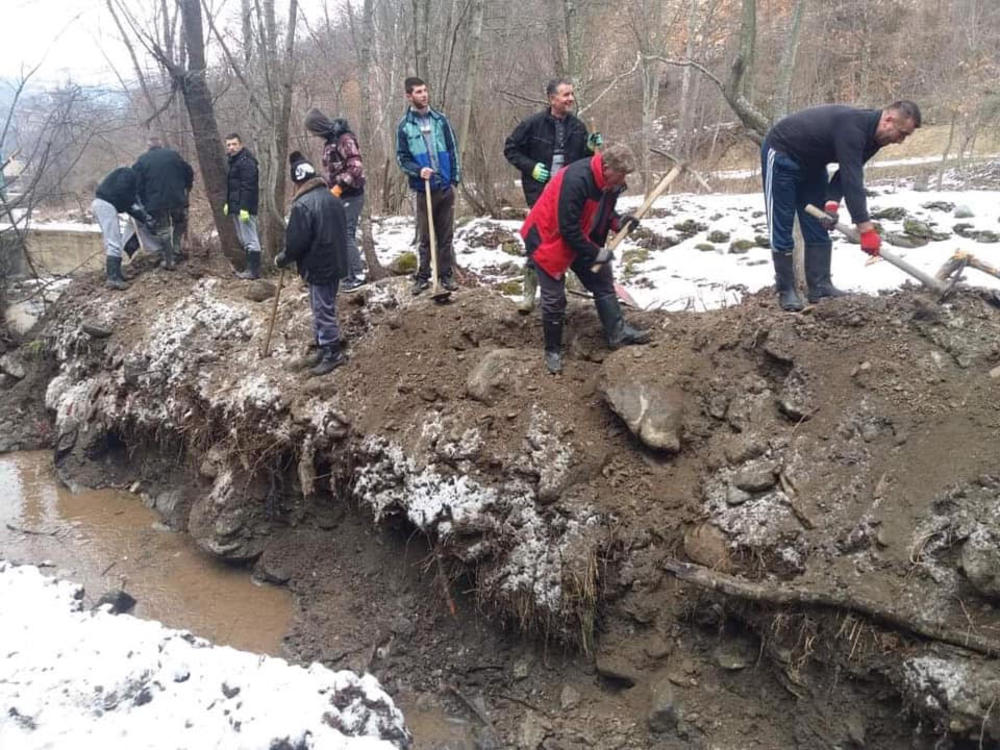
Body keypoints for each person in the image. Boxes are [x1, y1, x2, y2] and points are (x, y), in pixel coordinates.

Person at [762, 100, 921, 311]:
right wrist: (866, 229)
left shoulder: (874, 139)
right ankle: (786, 290)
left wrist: (831, 205)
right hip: (782, 154)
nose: (900, 141)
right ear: (888, 120)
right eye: (901, 133)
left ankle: (820, 286)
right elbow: (852, 180)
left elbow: (844, 174)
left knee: (818, 224)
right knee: (781, 223)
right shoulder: (853, 126)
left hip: (813, 165)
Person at [520, 143, 649, 374]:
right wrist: (595, 252)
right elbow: (567, 228)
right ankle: (552, 351)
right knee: (554, 299)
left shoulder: (609, 184)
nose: (623, 181)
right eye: (621, 175)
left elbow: (604, 212)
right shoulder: (576, 179)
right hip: (548, 236)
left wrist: (619, 223)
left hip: (579, 234)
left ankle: (617, 333)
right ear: (607, 167)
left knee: (602, 280)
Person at [504, 78, 602, 313]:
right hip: (540, 192)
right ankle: (529, 294)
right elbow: (510, 149)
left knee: (568, 236)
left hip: (567, 192)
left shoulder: (578, 127)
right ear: (552, 98)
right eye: (565, 95)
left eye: (571, 94)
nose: (570, 99)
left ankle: (562, 287)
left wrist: (591, 148)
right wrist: (531, 167)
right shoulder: (532, 124)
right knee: (539, 238)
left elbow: (584, 163)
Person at [274, 152, 349, 377]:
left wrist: (283, 258)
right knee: (322, 305)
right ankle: (323, 345)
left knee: (322, 308)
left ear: (297, 182)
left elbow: (297, 242)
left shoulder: (302, 205)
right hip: (335, 261)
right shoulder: (331, 198)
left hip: (319, 264)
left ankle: (332, 353)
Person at [395, 76, 461, 296]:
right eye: (418, 92)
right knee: (425, 236)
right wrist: (417, 170)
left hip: (444, 186)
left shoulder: (440, 120)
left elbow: (453, 150)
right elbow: (402, 158)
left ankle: (445, 275)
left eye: (425, 90)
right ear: (409, 96)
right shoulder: (404, 127)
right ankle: (423, 276)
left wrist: (454, 181)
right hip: (423, 189)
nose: (423, 95)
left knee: (446, 235)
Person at [304, 108, 367, 292]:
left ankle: (357, 275)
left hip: (352, 194)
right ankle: (347, 275)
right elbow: (332, 169)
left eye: (313, 130)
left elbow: (356, 166)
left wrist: (339, 187)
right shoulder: (329, 142)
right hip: (338, 195)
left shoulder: (344, 139)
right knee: (339, 235)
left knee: (346, 234)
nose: (314, 135)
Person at [91, 166, 158, 290]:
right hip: (105, 205)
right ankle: (113, 278)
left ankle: (117, 274)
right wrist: (140, 210)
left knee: (112, 240)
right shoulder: (128, 174)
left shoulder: (127, 179)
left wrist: (144, 219)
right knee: (114, 242)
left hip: (102, 204)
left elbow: (129, 206)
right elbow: (126, 198)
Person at [132, 136, 194, 270]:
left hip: (155, 202)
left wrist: (143, 202)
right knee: (179, 222)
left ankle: (169, 259)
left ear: (148, 147)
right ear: (160, 145)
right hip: (177, 198)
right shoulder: (174, 155)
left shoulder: (142, 161)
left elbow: (137, 184)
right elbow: (188, 171)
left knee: (163, 230)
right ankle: (177, 249)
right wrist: (187, 186)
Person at [223, 133, 261, 280]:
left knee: (250, 238)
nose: (231, 148)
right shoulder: (234, 161)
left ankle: (253, 272)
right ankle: (249, 269)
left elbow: (248, 187)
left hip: (245, 206)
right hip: (236, 205)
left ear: (241, 144)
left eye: (234, 144)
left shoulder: (246, 162)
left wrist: (245, 207)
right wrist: (228, 203)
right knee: (243, 238)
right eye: (228, 145)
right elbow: (233, 187)